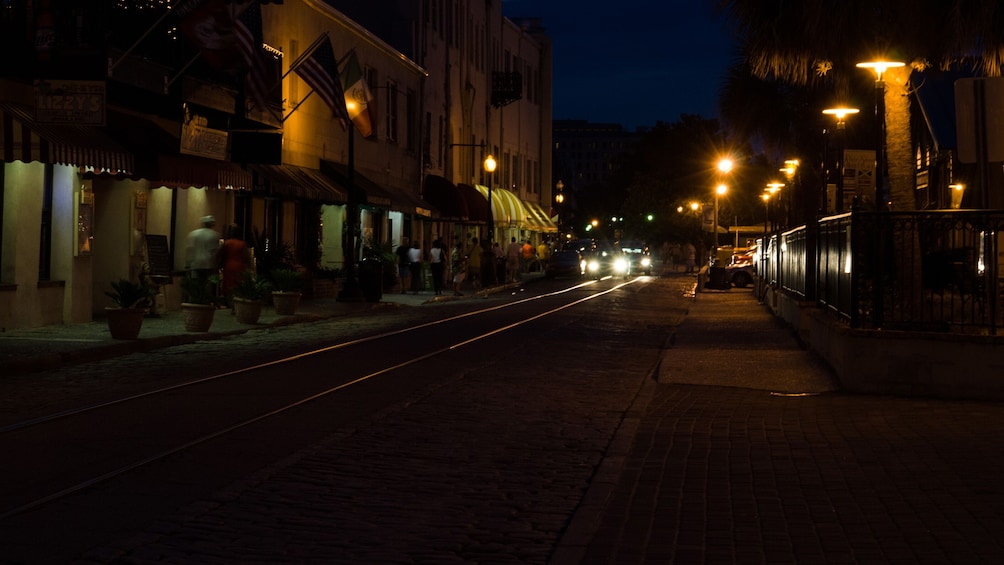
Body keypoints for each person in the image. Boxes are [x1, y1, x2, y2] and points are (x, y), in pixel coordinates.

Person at [218, 224, 252, 305]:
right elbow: (246, 257)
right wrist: (249, 267)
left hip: (228, 266)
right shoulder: (242, 244)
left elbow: (220, 254)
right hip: (239, 266)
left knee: (228, 285)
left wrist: (220, 264)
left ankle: (230, 302)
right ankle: (236, 304)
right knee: (238, 285)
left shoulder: (226, 243)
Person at [185, 215, 221, 285]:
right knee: (207, 285)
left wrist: (188, 263)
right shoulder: (214, 235)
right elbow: (214, 251)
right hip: (208, 264)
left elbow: (189, 249)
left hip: (195, 264)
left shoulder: (193, 234)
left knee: (197, 285)